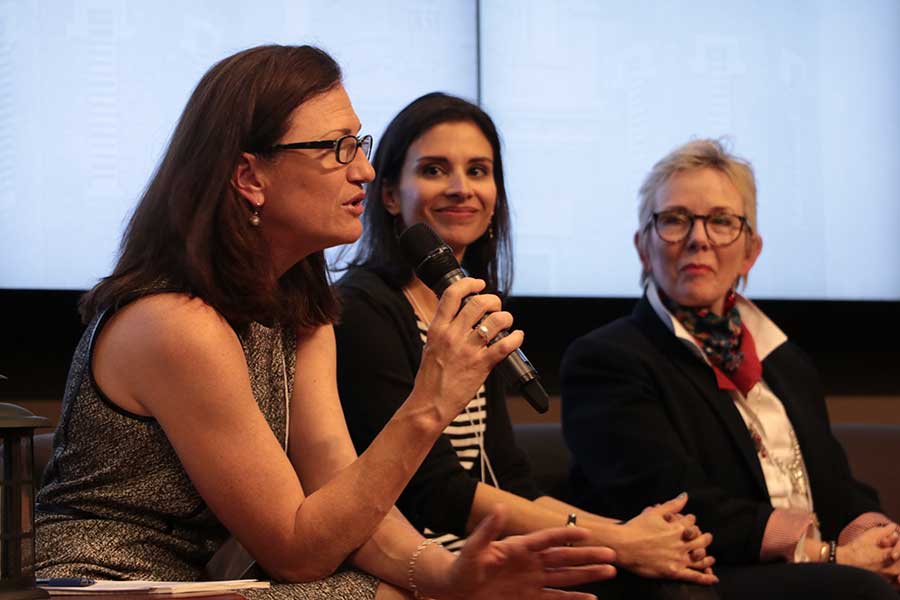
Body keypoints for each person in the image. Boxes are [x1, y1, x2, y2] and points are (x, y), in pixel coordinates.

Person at [34, 45, 617, 600]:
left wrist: (452, 576)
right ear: (250, 177)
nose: (364, 169)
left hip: (209, 580)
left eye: (359, 144)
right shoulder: (175, 325)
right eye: (338, 147)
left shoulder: (301, 312)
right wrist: (431, 400)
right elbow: (296, 549)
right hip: (110, 583)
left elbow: (343, 498)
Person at [334, 92, 718, 597]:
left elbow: (513, 484)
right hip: (410, 568)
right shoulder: (364, 309)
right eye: (433, 169)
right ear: (388, 194)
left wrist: (632, 536)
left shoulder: (474, 305)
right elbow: (436, 491)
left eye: (478, 170)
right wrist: (618, 541)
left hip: (488, 555)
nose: (460, 188)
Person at [560, 138, 900, 599]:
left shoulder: (785, 359)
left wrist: (874, 538)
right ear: (643, 247)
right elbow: (676, 504)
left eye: (721, 221)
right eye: (676, 220)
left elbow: (835, 483)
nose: (698, 238)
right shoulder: (607, 361)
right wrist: (830, 558)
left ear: (750, 251)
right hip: (710, 576)